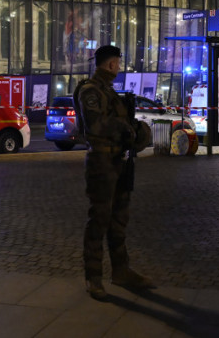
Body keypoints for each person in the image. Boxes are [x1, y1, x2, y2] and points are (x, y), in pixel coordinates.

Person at [73, 44, 155, 300]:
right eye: (117, 64)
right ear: (110, 64)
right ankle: (93, 278)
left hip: (119, 160)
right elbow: (95, 124)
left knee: (119, 219)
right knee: (99, 219)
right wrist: (125, 127)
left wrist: (137, 131)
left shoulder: (110, 92)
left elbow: (123, 125)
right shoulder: (90, 90)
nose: (118, 68)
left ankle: (121, 271)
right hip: (101, 163)